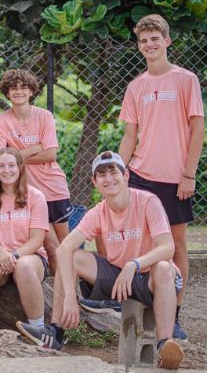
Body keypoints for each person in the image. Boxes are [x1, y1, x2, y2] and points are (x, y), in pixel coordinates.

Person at [46, 152, 183, 369]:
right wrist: (71, 297)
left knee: (164, 267)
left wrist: (134, 264)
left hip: (150, 279)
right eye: (102, 175)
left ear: (126, 175)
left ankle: (165, 346)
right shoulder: (98, 212)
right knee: (72, 257)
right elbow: (63, 249)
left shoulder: (148, 201)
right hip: (118, 278)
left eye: (113, 172)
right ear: (95, 182)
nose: (108, 179)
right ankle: (56, 332)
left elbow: (168, 247)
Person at [116, 14, 201, 340]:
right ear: (139, 46)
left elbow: (197, 129)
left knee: (177, 246)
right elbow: (129, 136)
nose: (149, 45)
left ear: (167, 41)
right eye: (143, 41)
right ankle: (140, 311)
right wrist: (121, 172)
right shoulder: (136, 86)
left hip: (175, 179)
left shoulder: (186, 80)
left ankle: (174, 316)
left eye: (155, 39)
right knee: (142, 243)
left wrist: (189, 174)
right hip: (140, 177)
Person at [0, 69, 71, 279]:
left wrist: (15, 156)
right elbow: (0, 157)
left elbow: (51, 154)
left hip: (54, 187)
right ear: (7, 93)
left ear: (31, 91)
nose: (19, 92)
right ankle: (58, 291)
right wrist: (35, 148)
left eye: (23, 87)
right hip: (29, 193)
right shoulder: (2, 120)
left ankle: (73, 291)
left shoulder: (44, 116)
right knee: (51, 247)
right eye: (13, 88)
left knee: (66, 247)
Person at [0, 148, 50, 340]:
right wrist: (3, 254)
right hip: (0, 257)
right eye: (1, 166)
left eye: (11, 165)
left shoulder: (36, 197)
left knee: (24, 266)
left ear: (20, 168)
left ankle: (39, 332)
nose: (7, 170)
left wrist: (14, 256)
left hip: (30, 257)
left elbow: (37, 239)